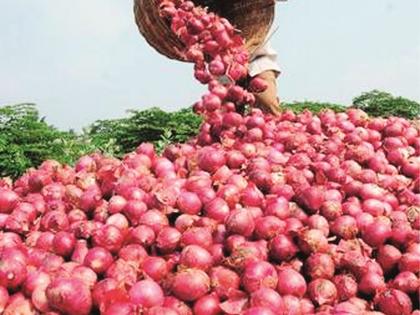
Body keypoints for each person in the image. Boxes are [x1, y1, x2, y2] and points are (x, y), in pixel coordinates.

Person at [249, 36, 282, 116]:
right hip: (226, 68)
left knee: (270, 109)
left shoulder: (256, 25)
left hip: (257, 63)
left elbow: (255, 39)